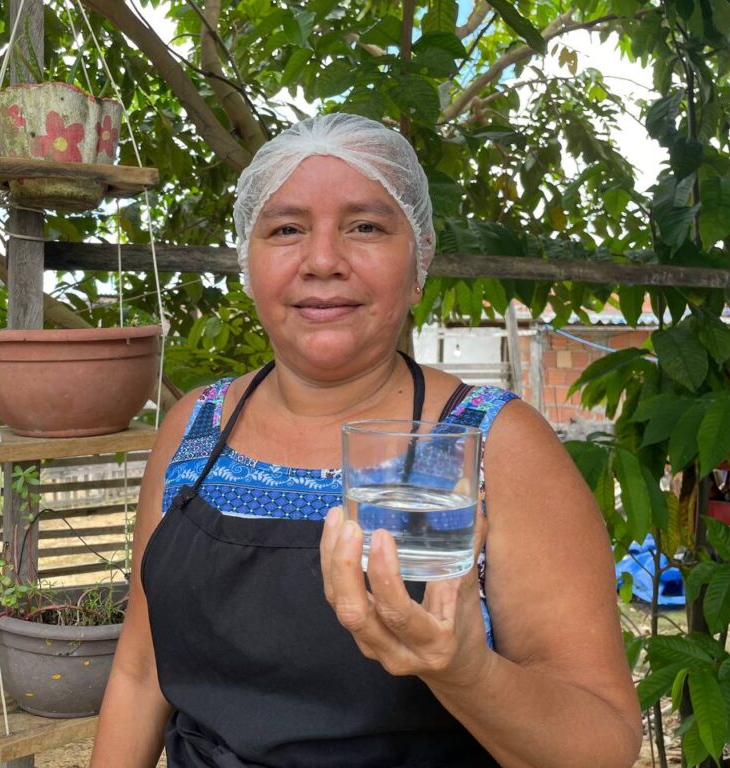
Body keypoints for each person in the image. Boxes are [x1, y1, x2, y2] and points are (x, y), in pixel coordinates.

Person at [90, 113, 642, 767]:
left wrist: (467, 673)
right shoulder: (193, 429)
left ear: (419, 260)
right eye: (287, 228)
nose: (322, 261)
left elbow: (603, 744)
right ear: (248, 262)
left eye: (366, 227)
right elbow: (139, 675)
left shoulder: (491, 444)